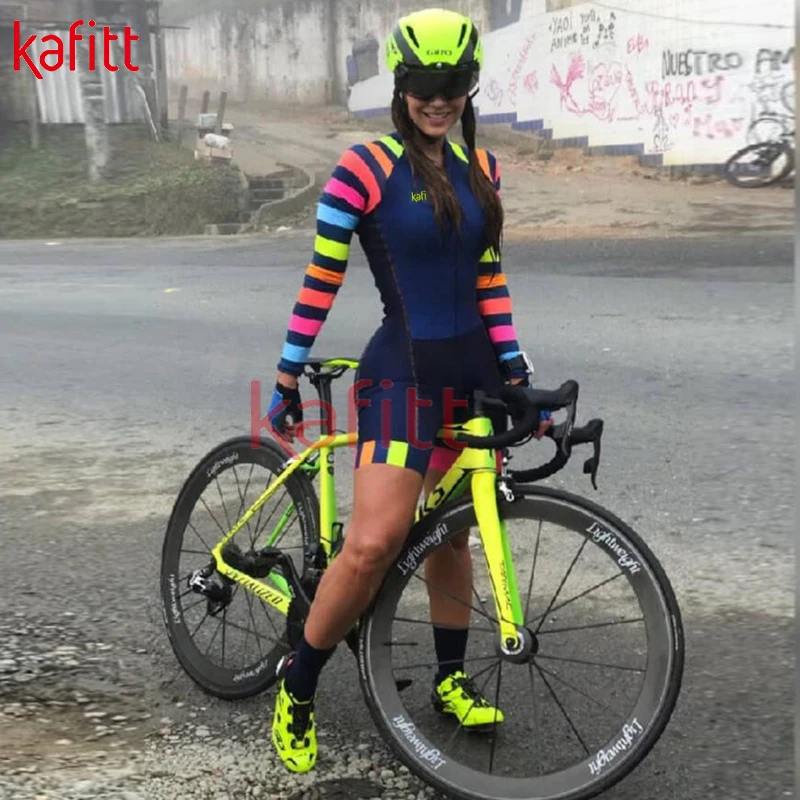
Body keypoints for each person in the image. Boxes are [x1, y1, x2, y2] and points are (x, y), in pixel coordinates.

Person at [266, 7, 551, 774]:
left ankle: (450, 678)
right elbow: (322, 278)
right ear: (400, 86)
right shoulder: (364, 167)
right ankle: (299, 684)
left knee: (452, 534)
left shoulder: (483, 170)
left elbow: (489, 283)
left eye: (454, 82)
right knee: (371, 545)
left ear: (470, 86)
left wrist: (517, 375)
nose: (439, 98)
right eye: (425, 83)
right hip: (403, 374)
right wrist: (288, 371)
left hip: (471, 376)